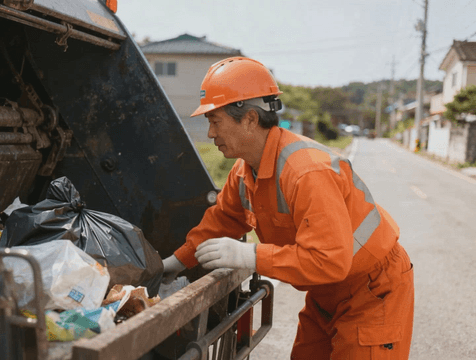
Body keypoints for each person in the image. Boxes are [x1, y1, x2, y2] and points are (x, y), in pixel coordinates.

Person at [161, 57, 414, 359]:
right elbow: (223, 219)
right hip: (325, 292)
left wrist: (249, 255)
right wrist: (175, 262)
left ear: (250, 119)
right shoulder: (244, 171)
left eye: (215, 121)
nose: (211, 133)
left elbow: (329, 260)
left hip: (372, 290)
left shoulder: (307, 172)